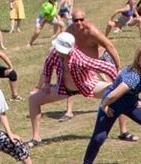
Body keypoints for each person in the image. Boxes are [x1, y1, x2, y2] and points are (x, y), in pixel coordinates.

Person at [63, 47, 141, 164]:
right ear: (137, 61)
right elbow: (112, 95)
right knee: (99, 137)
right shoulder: (132, 76)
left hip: (131, 103)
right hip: (112, 104)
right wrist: (104, 106)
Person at [27, 9, 120, 141]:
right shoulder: (55, 52)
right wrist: (45, 84)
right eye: (75, 20)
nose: (78, 23)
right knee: (33, 99)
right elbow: (47, 66)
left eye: (81, 20)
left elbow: (104, 66)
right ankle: (36, 137)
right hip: (64, 89)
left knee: (119, 93)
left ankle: (124, 130)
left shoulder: (80, 58)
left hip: (87, 85)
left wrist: (118, 77)